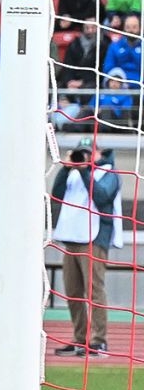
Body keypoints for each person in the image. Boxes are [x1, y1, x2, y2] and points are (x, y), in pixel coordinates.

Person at [52, 146, 120, 357]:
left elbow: (101, 196)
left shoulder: (109, 173)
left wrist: (83, 171)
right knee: (73, 292)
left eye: (89, 152)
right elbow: (56, 195)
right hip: (72, 238)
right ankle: (79, 338)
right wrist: (66, 168)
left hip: (94, 238)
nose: (85, 157)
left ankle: (99, 341)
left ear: (99, 153)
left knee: (94, 291)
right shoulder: (73, 173)